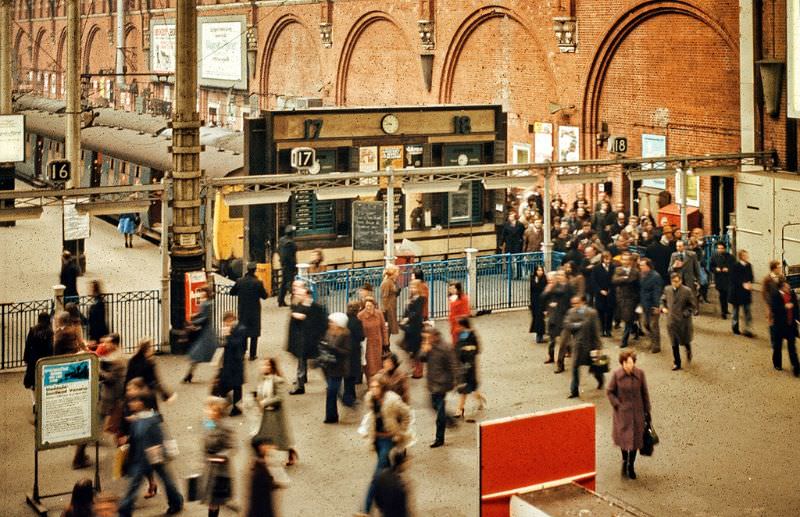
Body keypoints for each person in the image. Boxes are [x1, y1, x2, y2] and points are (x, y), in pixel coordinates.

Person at [118, 395, 184, 517]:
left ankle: (124, 510)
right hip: (146, 457)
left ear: (141, 403)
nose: (131, 404)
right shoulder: (139, 419)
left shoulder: (149, 421)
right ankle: (176, 501)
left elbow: (154, 440)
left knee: (135, 485)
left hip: (148, 457)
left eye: (134, 401)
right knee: (165, 479)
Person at [358, 375, 413, 514]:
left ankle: (366, 509)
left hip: (388, 440)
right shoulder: (370, 398)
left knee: (376, 477)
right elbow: (372, 416)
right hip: (377, 440)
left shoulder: (392, 400)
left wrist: (400, 432)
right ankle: (393, 497)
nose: (373, 389)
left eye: (376, 387)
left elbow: (407, 414)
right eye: (372, 386)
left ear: (382, 387)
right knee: (388, 473)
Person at [606, 349, 651, 480]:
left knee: (636, 441)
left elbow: (645, 393)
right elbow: (609, 391)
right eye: (626, 363)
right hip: (623, 414)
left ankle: (631, 465)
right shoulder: (616, 375)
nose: (629, 365)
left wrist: (647, 411)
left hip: (637, 413)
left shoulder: (640, 374)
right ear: (622, 363)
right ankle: (625, 460)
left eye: (631, 363)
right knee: (624, 440)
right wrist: (617, 404)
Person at [254, 357, 298, 467]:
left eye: (267, 365)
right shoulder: (262, 379)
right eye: (263, 365)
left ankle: (290, 452)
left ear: (272, 367)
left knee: (280, 437)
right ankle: (262, 458)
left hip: (276, 413)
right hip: (265, 413)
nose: (264, 368)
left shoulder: (278, 380)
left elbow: (280, 397)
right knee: (263, 435)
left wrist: (264, 402)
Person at [420, 327, 459, 448]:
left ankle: (439, 438)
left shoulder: (445, 348)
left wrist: (456, 380)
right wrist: (424, 350)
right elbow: (420, 358)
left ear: (435, 336)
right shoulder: (429, 346)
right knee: (433, 405)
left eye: (428, 337)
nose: (427, 339)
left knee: (440, 412)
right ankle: (450, 419)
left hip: (442, 384)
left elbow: (454, 364)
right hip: (432, 383)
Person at [287, 283, 328, 395]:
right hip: (303, 340)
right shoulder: (299, 306)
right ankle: (300, 385)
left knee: (320, 362)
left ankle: (331, 383)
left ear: (306, 294)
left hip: (313, 340)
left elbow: (321, 324)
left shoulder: (316, 308)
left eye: (299, 293)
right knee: (302, 362)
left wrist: (304, 319)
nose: (297, 294)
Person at [562, 295, 605, 398]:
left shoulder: (591, 313)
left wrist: (599, 346)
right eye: (573, 304)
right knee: (575, 367)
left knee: (595, 367)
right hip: (578, 345)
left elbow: (596, 330)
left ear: (582, 303)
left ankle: (600, 380)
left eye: (576, 303)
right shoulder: (571, 312)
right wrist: (578, 325)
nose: (574, 306)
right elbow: (567, 324)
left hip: (591, 345)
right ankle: (574, 391)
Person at [201, 396, 234, 517]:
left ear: (219, 412)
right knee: (212, 499)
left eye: (212, 410)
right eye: (208, 409)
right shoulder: (209, 422)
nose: (208, 412)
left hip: (220, 470)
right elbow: (206, 439)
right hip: (210, 468)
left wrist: (220, 457)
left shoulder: (226, 427)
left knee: (213, 500)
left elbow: (231, 447)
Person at [230, 262, 268, 361]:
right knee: (254, 333)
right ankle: (252, 355)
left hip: (243, 311)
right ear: (255, 270)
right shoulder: (258, 282)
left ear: (247, 269)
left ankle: (242, 353)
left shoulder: (240, 281)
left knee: (243, 332)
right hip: (254, 311)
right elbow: (264, 296)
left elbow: (232, 292)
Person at [125, 338, 175, 409]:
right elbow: (155, 381)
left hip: (133, 392)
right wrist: (165, 396)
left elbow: (127, 377)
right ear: (148, 349)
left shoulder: (132, 360)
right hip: (146, 393)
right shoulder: (149, 363)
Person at [320, 312, 351, 424]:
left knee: (331, 392)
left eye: (332, 322)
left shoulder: (345, 335)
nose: (330, 324)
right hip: (328, 366)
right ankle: (344, 403)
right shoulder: (328, 332)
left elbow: (346, 351)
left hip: (338, 367)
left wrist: (333, 348)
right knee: (333, 391)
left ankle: (331, 416)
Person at [662, 273, 697, 371]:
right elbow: (663, 300)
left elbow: (692, 306)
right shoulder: (667, 289)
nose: (674, 283)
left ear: (681, 281)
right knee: (674, 343)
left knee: (685, 340)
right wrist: (663, 308)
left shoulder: (687, 291)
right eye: (673, 281)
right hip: (671, 321)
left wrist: (685, 314)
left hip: (683, 322)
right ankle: (677, 362)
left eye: (677, 281)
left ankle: (688, 350)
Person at [454, 317, 487, 417]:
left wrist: (468, 350)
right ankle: (462, 408)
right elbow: (457, 348)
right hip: (462, 365)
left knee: (467, 388)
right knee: (467, 388)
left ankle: (460, 409)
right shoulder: (461, 334)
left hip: (470, 365)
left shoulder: (472, 335)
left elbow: (477, 349)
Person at [542, 270, 574, 371]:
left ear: (565, 276)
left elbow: (562, 293)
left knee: (563, 342)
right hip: (555, 317)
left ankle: (560, 364)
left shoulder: (569, 287)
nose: (559, 277)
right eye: (558, 275)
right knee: (552, 340)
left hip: (566, 318)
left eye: (561, 275)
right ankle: (551, 356)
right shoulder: (555, 287)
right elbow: (544, 297)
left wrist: (550, 290)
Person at [183, 286, 216, 383]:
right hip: (204, 331)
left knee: (197, 355)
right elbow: (202, 316)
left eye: (202, 292)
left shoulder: (207, 304)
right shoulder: (206, 303)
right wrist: (195, 317)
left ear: (206, 293)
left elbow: (205, 318)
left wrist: (194, 322)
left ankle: (189, 375)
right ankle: (189, 375)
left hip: (206, 333)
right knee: (198, 355)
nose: (200, 294)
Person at [217, 311, 248, 416]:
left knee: (236, 385)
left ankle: (236, 407)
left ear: (231, 320)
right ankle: (229, 404)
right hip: (229, 361)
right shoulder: (234, 329)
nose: (226, 325)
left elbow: (237, 343)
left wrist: (228, 335)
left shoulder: (241, 329)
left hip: (236, 361)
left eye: (226, 322)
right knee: (226, 384)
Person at [768, 281, 800, 376]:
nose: (788, 289)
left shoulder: (792, 294)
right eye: (786, 287)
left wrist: (798, 319)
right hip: (779, 326)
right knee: (778, 346)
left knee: (792, 347)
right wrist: (784, 307)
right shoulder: (775, 295)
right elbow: (774, 309)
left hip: (790, 326)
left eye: (789, 287)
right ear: (781, 288)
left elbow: (796, 308)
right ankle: (777, 363)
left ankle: (796, 367)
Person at [23, 312, 53, 411]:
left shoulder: (33, 330)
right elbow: (52, 347)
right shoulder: (50, 331)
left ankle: (35, 402)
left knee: (32, 383)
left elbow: (28, 346)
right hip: (47, 359)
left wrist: (26, 359)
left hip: (34, 359)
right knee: (45, 381)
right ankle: (44, 401)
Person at [98, 333, 127, 435]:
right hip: (115, 391)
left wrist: (98, 372)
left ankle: (97, 435)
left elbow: (110, 378)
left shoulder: (115, 358)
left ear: (114, 344)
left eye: (108, 343)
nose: (105, 345)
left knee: (102, 414)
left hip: (111, 393)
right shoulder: (116, 354)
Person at [612, 252, 640, 348]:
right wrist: (625, 278)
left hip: (631, 298)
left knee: (628, 319)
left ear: (630, 261)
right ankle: (635, 329)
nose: (624, 261)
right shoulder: (618, 269)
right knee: (625, 317)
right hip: (620, 298)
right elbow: (614, 280)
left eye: (627, 259)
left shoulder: (635, 271)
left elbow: (636, 283)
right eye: (623, 259)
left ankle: (624, 340)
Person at [358, 296, 388, 386]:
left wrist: (386, 342)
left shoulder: (379, 314)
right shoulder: (360, 315)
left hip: (378, 343)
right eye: (367, 306)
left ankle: (379, 385)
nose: (368, 308)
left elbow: (384, 328)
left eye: (370, 305)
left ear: (374, 305)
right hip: (367, 344)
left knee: (379, 364)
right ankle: (370, 385)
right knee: (369, 365)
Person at [247, 436, 279, 517]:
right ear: (260, 447)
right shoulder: (259, 468)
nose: (269, 448)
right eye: (266, 445)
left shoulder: (258, 464)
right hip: (261, 509)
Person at [400, 280, 426, 379]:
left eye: (414, 287)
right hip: (410, 328)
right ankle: (414, 368)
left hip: (416, 328)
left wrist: (407, 318)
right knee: (410, 349)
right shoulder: (412, 298)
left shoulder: (421, 298)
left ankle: (418, 371)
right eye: (411, 287)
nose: (412, 289)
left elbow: (417, 313)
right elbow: (408, 311)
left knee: (416, 350)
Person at [374, 450, 411, 517]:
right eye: (406, 462)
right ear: (401, 464)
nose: (408, 465)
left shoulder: (382, 475)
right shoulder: (400, 486)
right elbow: (403, 510)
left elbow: (377, 497)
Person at [638, 258, 663, 353]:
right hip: (644, 304)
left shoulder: (656, 276)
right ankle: (652, 341)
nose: (640, 267)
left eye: (642, 265)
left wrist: (657, 306)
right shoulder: (641, 275)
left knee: (653, 325)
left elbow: (657, 292)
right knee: (645, 324)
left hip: (653, 305)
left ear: (648, 266)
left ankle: (656, 346)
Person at [344, 300, 365, 407]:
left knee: (347, 376)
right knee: (352, 376)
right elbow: (361, 336)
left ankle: (348, 395)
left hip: (345, 350)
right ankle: (350, 398)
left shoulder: (345, 320)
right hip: (354, 351)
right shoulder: (357, 322)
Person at [669, 239, 701, 309]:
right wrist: (674, 266)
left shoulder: (692, 255)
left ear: (684, 247)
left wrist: (698, 281)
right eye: (677, 246)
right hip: (678, 279)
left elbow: (696, 269)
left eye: (680, 246)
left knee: (692, 295)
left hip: (689, 278)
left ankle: (694, 308)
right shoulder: (674, 255)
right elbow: (669, 270)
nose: (678, 248)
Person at [730, 250, 755, 338]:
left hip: (746, 293)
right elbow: (733, 278)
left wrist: (749, 282)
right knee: (735, 312)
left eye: (747, 255)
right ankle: (735, 329)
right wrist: (743, 283)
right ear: (741, 256)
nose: (746, 257)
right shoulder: (735, 266)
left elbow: (751, 276)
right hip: (736, 292)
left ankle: (747, 329)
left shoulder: (749, 265)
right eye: (744, 255)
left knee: (747, 311)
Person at [591, 251, 616, 337]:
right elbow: (593, 281)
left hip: (610, 294)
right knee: (600, 312)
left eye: (609, 258)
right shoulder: (596, 268)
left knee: (610, 312)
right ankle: (602, 329)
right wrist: (600, 290)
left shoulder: (613, 267)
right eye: (606, 259)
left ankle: (608, 329)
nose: (608, 261)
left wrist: (611, 290)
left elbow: (615, 280)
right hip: (600, 294)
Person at [710, 242, 734, 319]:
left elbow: (734, 267)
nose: (720, 250)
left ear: (725, 248)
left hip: (728, 279)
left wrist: (728, 269)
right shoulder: (714, 257)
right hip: (719, 279)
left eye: (721, 248)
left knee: (727, 295)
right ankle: (723, 312)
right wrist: (715, 269)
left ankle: (725, 309)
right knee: (722, 295)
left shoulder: (730, 257)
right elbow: (711, 267)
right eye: (718, 248)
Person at [277, 224, 298, 307]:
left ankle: (280, 300)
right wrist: (294, 265)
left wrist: (281, 261)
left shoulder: (281, 240)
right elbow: (289, 256)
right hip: (289, 265)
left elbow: (278, 250)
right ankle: (294, 301)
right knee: (290, 283)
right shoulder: (290, 243)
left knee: (284, 283)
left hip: (284, 264)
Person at [447, 281, 470, 346]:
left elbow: (466, 312)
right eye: (450, 289)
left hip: (460, 326)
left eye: (453, 288)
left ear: (458, 289)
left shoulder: (463, 298)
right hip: (454, 326)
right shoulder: (452, 298)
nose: (451, 290)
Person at [86, 280, 109, 346]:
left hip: (98, 334)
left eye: (90, 288)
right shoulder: (97, 301)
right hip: (96, 334)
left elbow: (98, 321)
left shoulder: (99, 303)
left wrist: (94, 338)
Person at [529, 265, 547, 344]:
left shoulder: (544, 279)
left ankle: (540, 334)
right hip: (535, 301)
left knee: (540, 318)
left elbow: (542, 288)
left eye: (541, 270)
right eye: (538, 270)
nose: (540, 272)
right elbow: (532, 289)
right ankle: (538, 333)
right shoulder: (533, 278)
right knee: (536, 317)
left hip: (542, 301)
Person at [381, 265, 401, 335]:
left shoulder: (392, 281)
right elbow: (385, 297)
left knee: (390, 327)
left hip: (392, 306)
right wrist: (385, 309)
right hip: (388, 308)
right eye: (397, 272)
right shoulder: (387, 282)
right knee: (388, 329)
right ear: (392, 273)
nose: (398, 274)